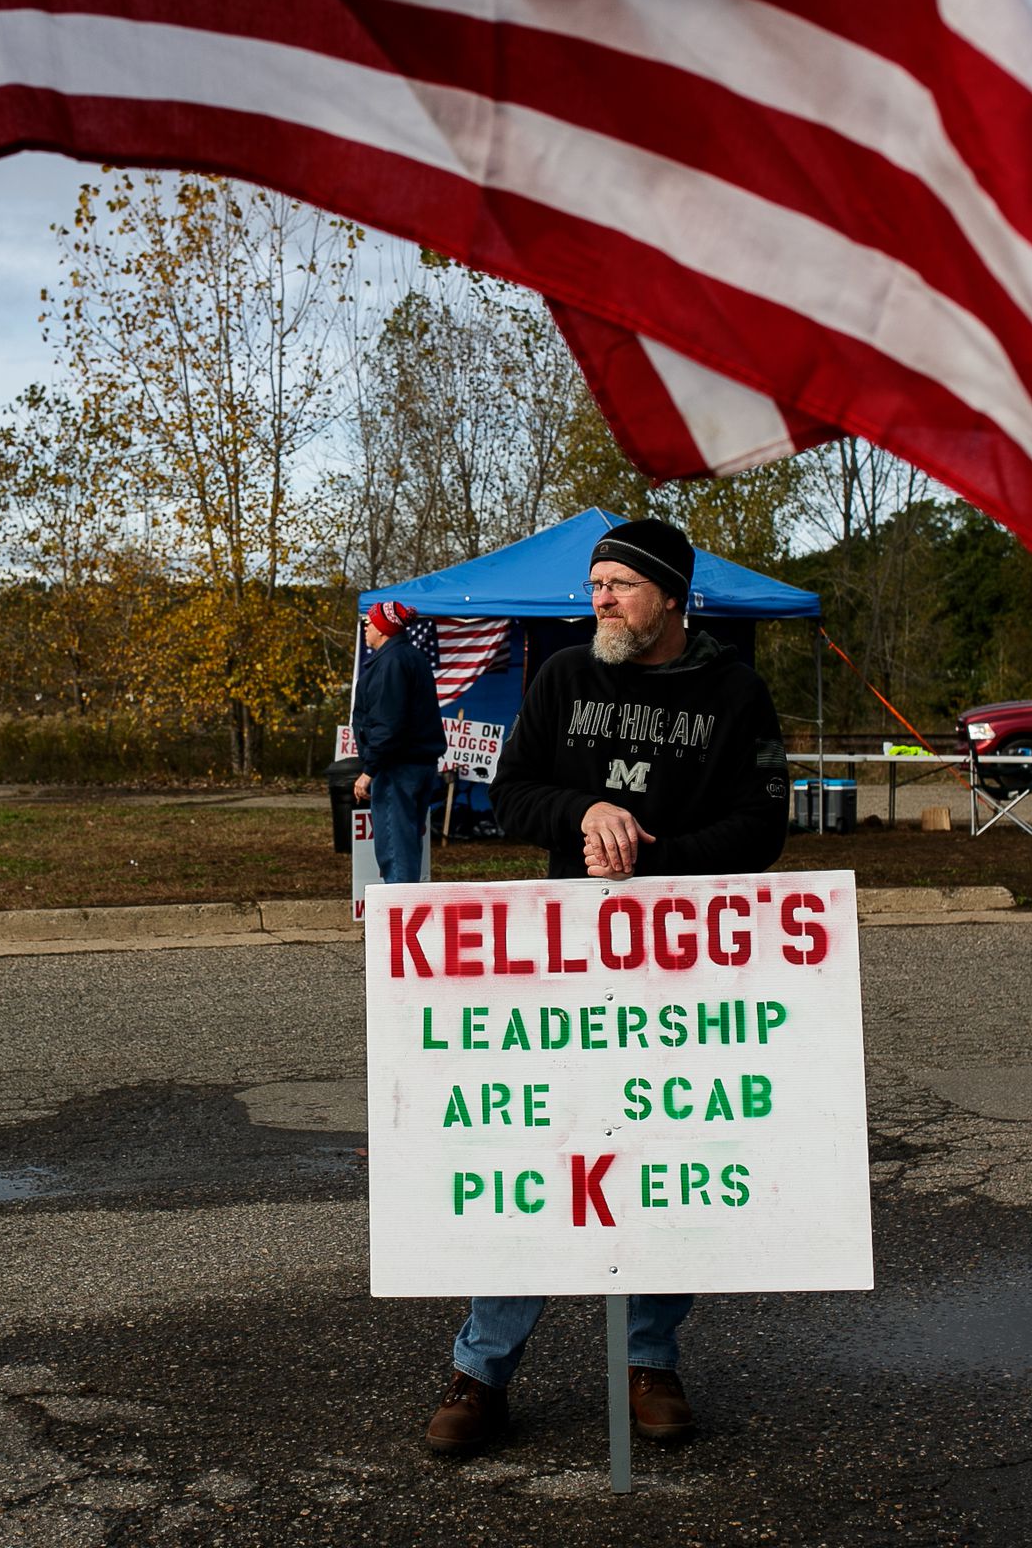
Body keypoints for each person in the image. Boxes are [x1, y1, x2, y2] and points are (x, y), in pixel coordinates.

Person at [424, 518, 789, 1457]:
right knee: (540, 1150)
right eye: (597, 586)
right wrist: (585, 812)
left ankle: (650, 1361)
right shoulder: (562, 678)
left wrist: (654, 865)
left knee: (662, 1157)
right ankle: (480, 1372)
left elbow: (763, 824)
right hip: (564, 956)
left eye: (621, 585)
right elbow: (509, 794)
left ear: (672, 595)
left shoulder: (735, 692)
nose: (602, 601)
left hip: (681, 961)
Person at [350, 599, 446, 886]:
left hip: (397, 769)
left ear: (383, 628)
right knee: (407, 845)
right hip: (417, 765)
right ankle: (406, 918)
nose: (365, 626)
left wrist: (369, 771)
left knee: (396, 850)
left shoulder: (391, 663)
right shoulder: (409, 657)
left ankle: (399, 926)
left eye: (369, 621)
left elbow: (389, 723)